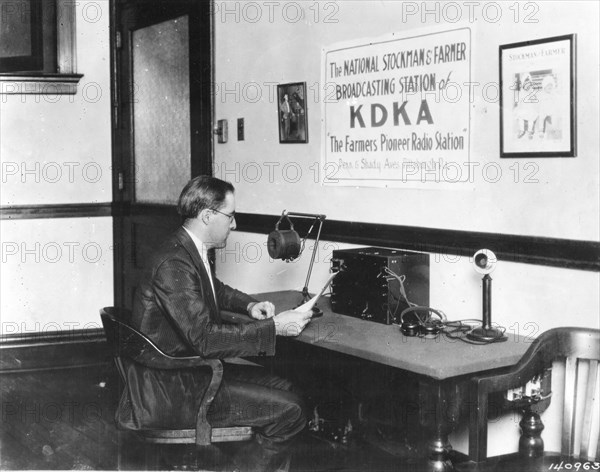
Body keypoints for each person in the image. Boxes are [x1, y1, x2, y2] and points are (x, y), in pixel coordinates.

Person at [121, 176, 313, 471]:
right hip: (172, 391)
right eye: (231, 216)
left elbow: (214, 287)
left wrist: (249, 304)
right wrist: (275, 327)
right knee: (292, 411)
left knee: (288, 388)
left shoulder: (185, 248)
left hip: (182, 375)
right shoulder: (174, 262)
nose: (234, 225)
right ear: (208, 215)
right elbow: (206, 340)